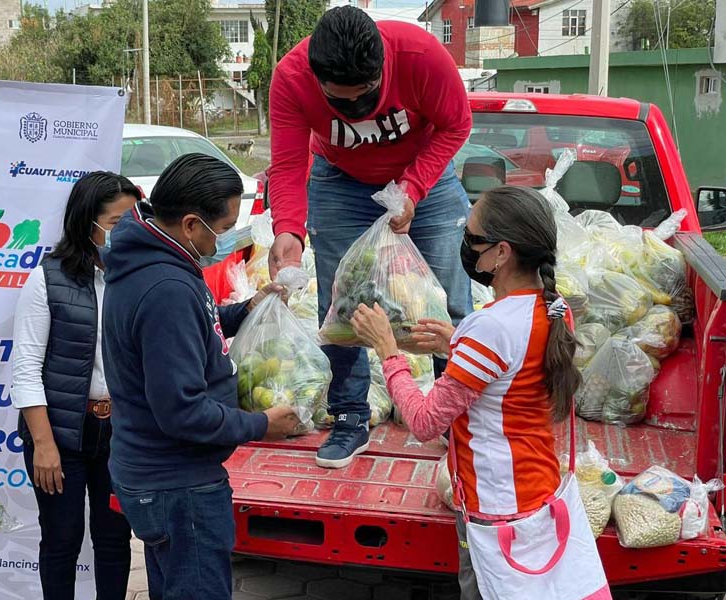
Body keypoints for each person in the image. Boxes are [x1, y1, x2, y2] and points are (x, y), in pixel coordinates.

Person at [349, 186, 597, 598]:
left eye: (472, 237)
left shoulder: (491, 328)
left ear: (501, 253)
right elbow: (513, 371)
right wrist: (456, 344)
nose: (465, 245)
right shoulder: (554, 309)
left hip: (496, 509)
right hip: (538, 488)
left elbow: (426, 422)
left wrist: (387, 351)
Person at [267, 6, 473, 468]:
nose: (357, 113)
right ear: (317, 78)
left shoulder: (420, 55)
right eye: (342, 102)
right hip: (340, 182)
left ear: (382, 66)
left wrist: (414, 187)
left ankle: (459, 417)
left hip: (426, 181)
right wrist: (288, 231)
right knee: (342, 306)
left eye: (366, 98)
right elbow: (287, 164)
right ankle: (350, 416)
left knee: (450, 300)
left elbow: (457, 124)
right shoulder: (291, 77)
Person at [102, 153, 300, 600]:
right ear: (192, 224)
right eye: (225, 226)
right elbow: (183, 411)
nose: (227, 237)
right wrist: (263, 424)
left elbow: (193, 329)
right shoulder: (165, 287)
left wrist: (245, 311)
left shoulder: (155, 260)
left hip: (156, 476)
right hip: (178, 485)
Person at [11, 172, 139, 600]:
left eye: (136, 219)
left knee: (114, 539)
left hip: (119, 434)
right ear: (89, 222)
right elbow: (26, 367)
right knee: (62, 540)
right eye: (120, 222)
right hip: (61, 434)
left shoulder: (137, 277)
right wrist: (44, 445)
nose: (131, 229)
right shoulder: (48, 278)